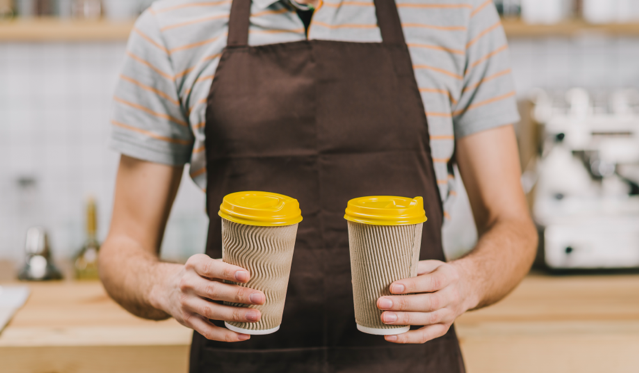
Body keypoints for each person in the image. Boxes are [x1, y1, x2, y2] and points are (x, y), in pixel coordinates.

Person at [99, 0, 537, 372]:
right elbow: (121, 248)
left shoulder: (459, 16)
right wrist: (166, 286)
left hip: (408, 363)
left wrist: (468, 281)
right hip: (244, 361)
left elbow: (513, 225)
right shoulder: (170, 28)